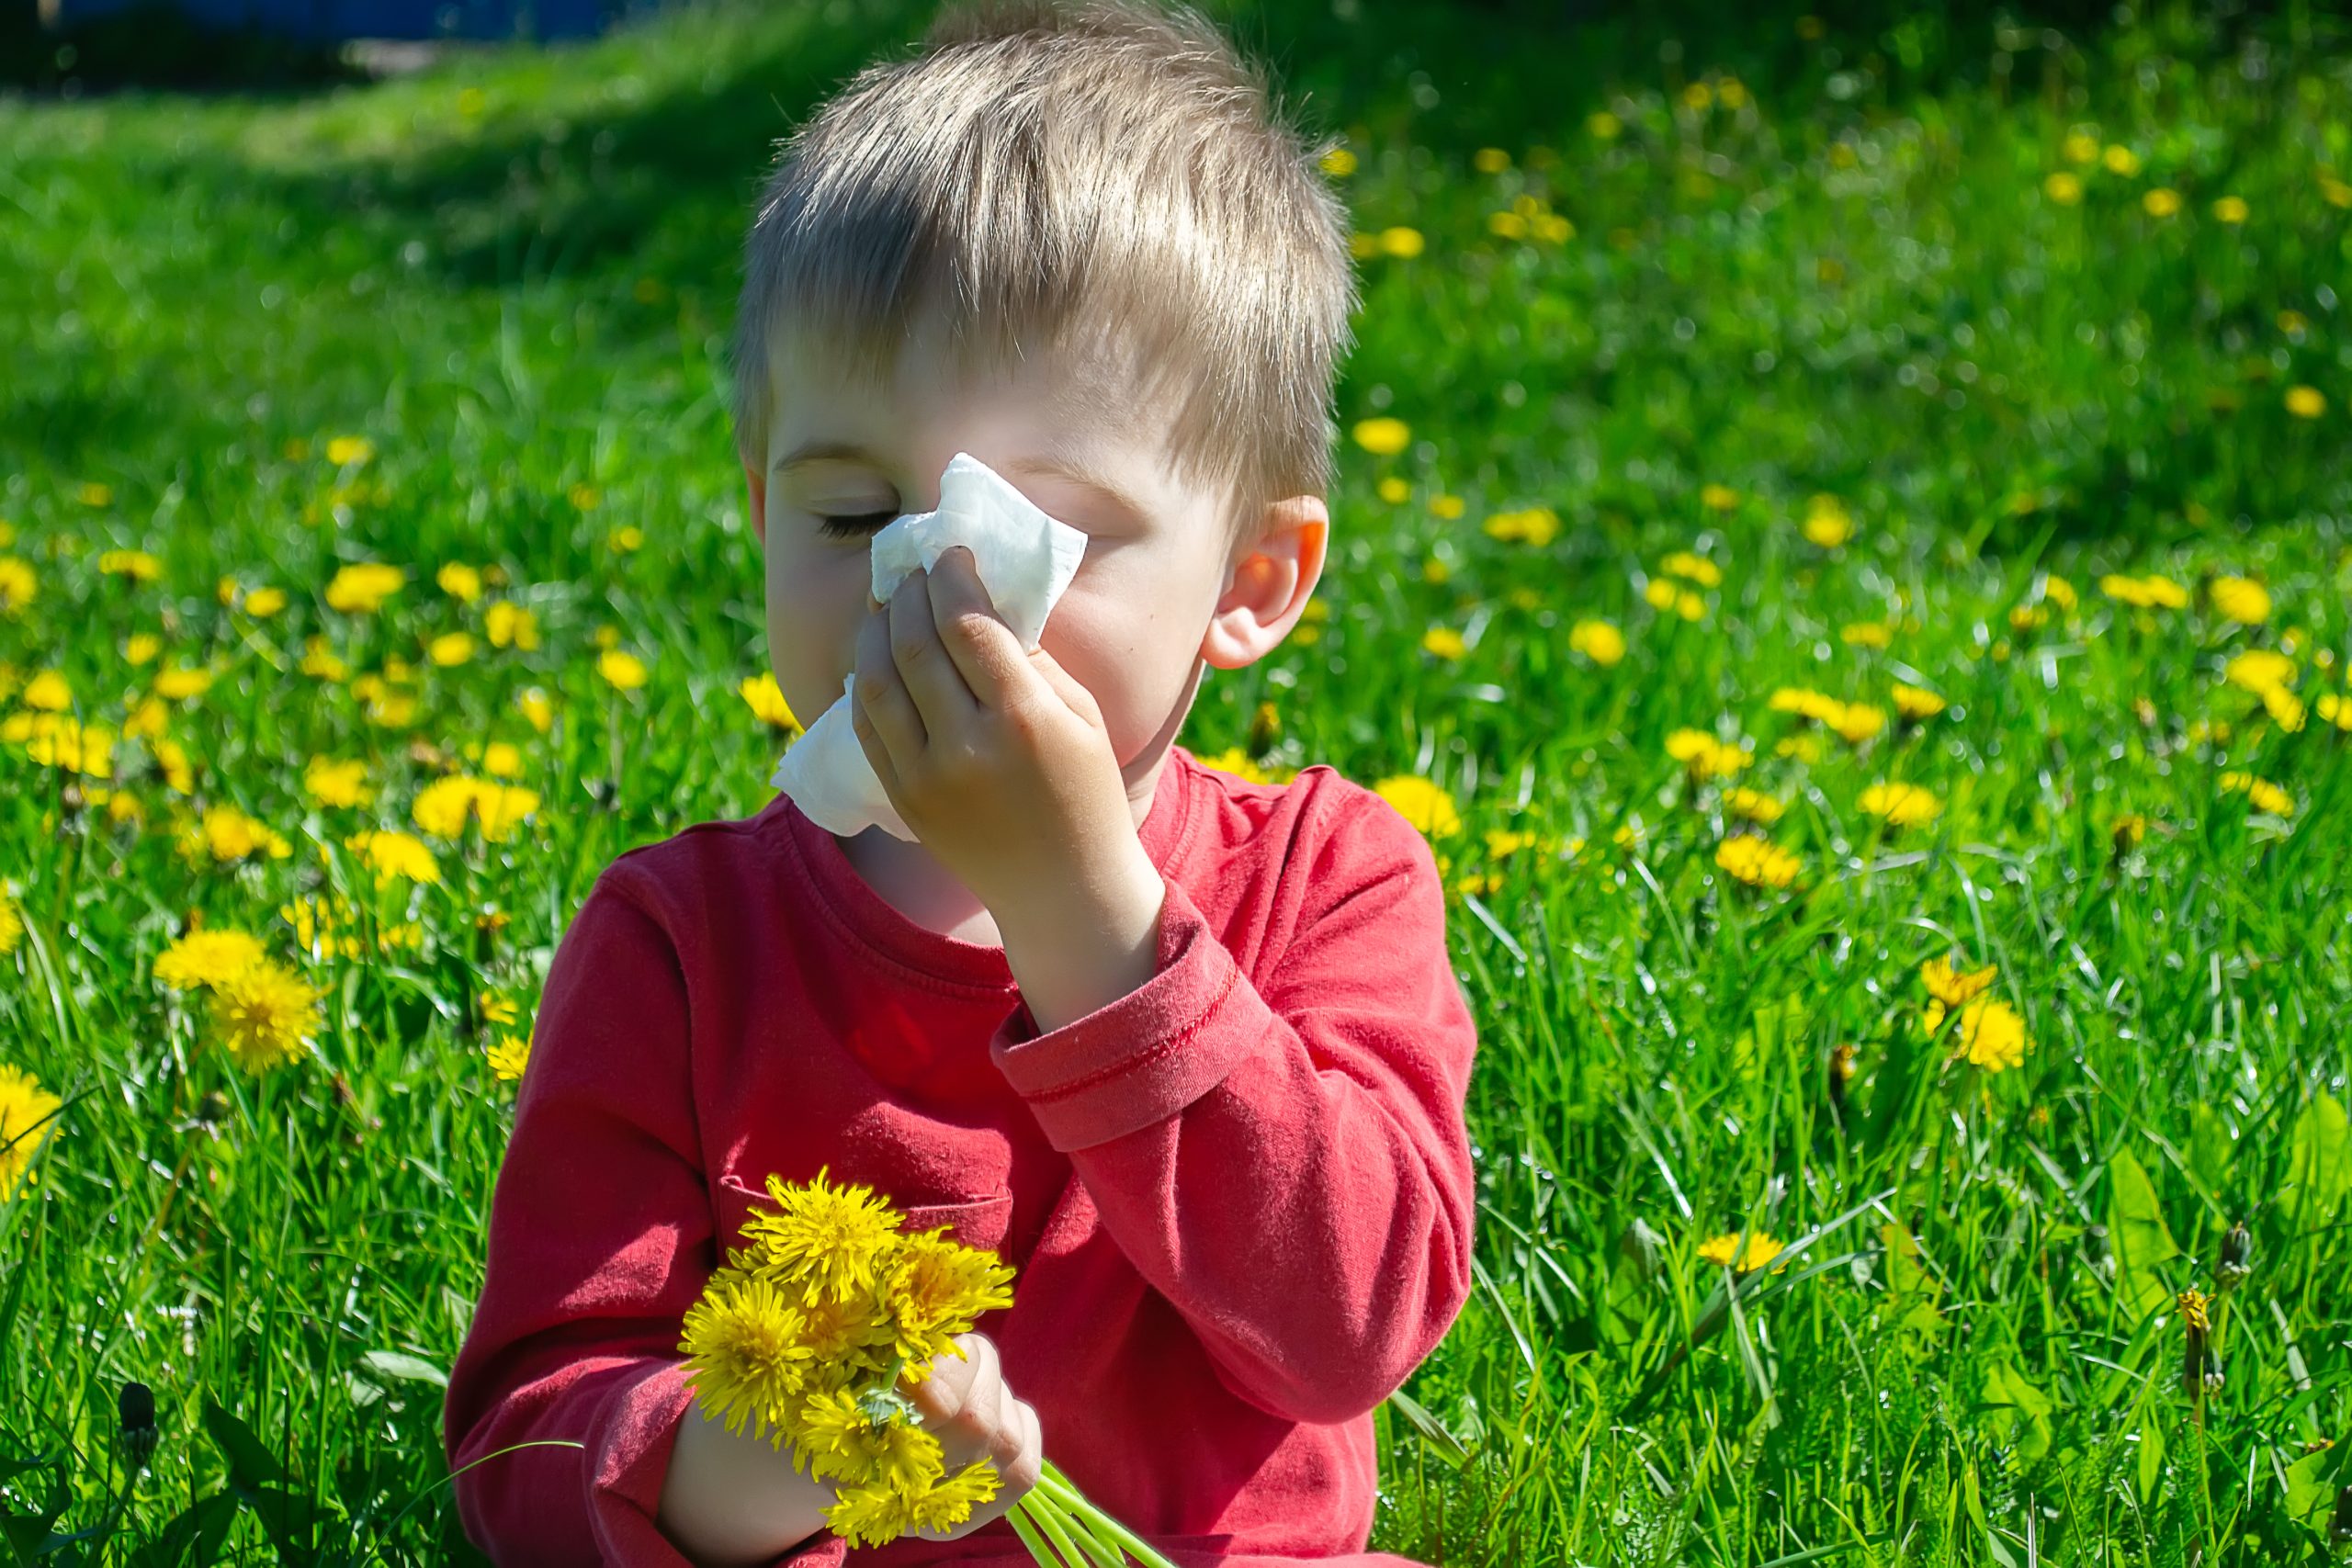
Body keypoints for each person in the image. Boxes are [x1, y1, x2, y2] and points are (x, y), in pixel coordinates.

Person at [440, 2, 1479, 1562]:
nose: (927, 591)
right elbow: (533, 1427)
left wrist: (1082, 911)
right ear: (760, 507)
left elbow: (1356, 1320)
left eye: (1036, 531)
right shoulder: (681, 945)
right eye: (855, 517)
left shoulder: (1329, 882)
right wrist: (773, 1450)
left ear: (1251, 577)